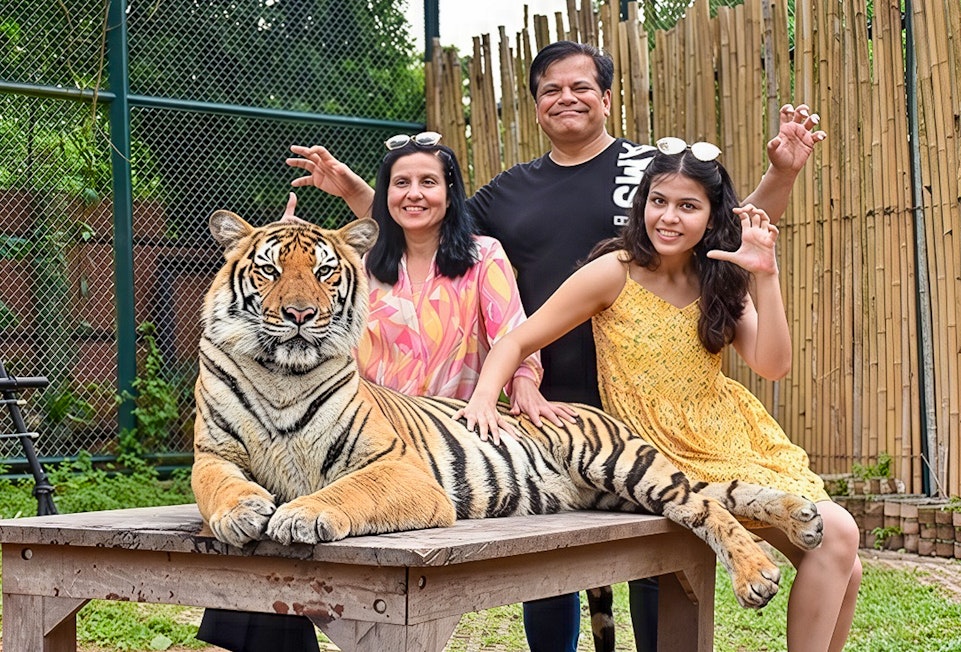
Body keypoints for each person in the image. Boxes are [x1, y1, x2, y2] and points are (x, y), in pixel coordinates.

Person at [286, 39, 825, 652]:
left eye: (580, 86)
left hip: (641, 398)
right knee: (550, 567)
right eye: (550, 90)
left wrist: (780, 173)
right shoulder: (510, 190)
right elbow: (431, 223)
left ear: (608, 98)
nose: (565, 98)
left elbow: (725, 228)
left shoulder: (647, 172)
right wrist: (362, 193)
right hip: (549, 401)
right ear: (536, 105)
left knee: (657, 553)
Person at [454, 140, 862, 652]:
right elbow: (517, 338)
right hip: (656, 452)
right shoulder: (615, 271)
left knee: (846, 557)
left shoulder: (717, 276)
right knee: (840, 535)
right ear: (642, 202)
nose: (668, 218)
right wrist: (486, 398)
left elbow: (773, 365)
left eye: (688, 206)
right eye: (658, 201)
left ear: (712, 216)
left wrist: (766, 277)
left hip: (731, 435)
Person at [198, 134, 564, 652]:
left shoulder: (484, 256)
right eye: (401, 183)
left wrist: (520, 385)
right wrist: (276, 250)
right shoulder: (359, 264)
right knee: (270, 518)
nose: (414, 194)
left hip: (450, 437)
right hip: (356, 434)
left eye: (429, 183)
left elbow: (515, 336)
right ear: (385, 192)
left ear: (451, 191)